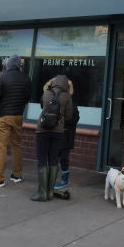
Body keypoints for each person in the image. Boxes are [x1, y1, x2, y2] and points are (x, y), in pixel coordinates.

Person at [0, 55, 31, 187]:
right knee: (17, 145)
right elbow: (27, 97)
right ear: (19, 65)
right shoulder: (26, 79)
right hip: (18, 115)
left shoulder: (1, 78)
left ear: (8, 65)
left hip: (2, 116)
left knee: (0, 147)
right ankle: (17, 174)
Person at [31, 74, 74, 202]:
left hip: (42, 129)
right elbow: (68, 116)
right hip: (58, 131)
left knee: (42, 159)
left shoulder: (47, 93)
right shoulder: (67, 97)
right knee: (54, 159)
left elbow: (42, 107)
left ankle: (42, 193)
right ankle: (50, 192)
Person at [52, 79, 78, 199]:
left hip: (66, 135)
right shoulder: (56, 99)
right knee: (54, 156)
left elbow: (74, 119)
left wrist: (62, 118)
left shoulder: (71, 102)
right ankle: (53, 179)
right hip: (58, 134)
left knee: (63, 158)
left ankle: (64, 180)